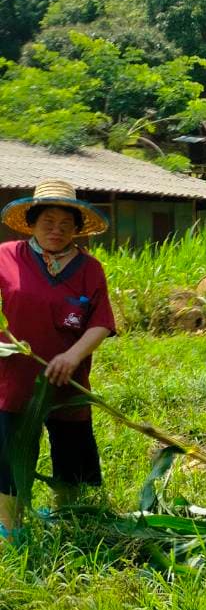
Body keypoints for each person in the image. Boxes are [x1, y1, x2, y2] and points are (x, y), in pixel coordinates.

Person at [0, 180, 116, 539]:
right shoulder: (5, 256)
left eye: (66, 224)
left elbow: (102, 322)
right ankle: (10, 526)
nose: (56, 229)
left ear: (78, 230)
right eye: (48, 221)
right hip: (13, 380)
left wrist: (72, 355)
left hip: (69, 381)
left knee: (70, 448)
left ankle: (71, 518)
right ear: (31, 222)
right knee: (9, 455)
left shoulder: (89, 269)